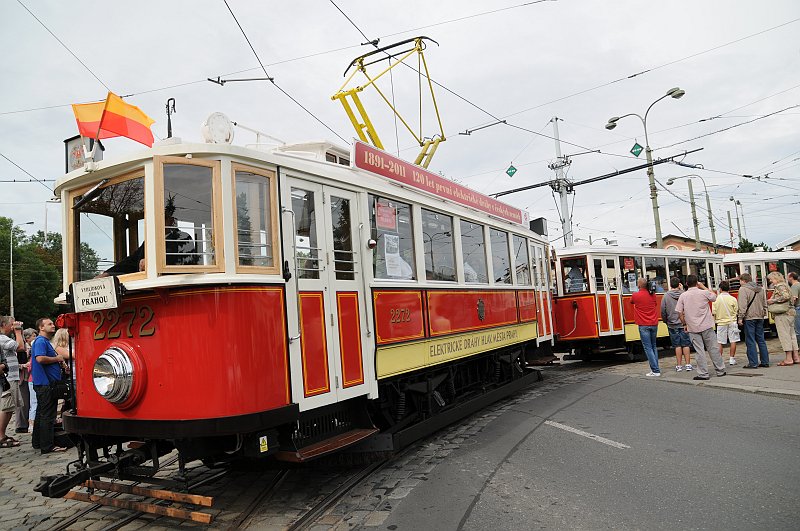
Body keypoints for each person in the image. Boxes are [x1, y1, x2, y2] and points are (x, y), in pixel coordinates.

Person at [101, 198, 198, 276]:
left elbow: (181, 262)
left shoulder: (183, 238)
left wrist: (152, 262)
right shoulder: (149, 242)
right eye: (154, 218)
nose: (156, 221)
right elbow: (131, 261)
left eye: (161, 218)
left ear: (170, 221)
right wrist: (107, 273)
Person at [676, 275, 727, 381]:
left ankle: (703, 373)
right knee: (713, 348)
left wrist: (684, 324)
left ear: (686, 284)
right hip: (707, 325)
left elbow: (680, 313)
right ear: (697, 283)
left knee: (699, 351)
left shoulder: (683, 296)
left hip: (693, 327)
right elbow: (714, 297)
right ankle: (720, 370)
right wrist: (703, 286)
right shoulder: (704, 293)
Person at [30, 318, 69, 454]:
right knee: (48, 415)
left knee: (41, 414)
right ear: (41, 327)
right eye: (50, 324)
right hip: (45, 384)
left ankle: (38, 442)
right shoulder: (41, 341)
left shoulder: (44, 342)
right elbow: (40, 358)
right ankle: (47, 446)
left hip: (44, 383)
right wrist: (57, 359)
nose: (53, 326)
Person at [0, 316, 24, 448]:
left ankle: (2, 434)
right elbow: (20, 347)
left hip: (11, 376)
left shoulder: (6, 338)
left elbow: (21, 346)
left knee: (9, 407)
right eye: (12, 323)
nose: (14, 325)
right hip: (8, 378)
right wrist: (18, 331)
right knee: (7, 407)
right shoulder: (2, 338)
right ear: (4, 324)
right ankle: (1, 436)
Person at [737, 272, 770, 368]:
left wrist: (740, 318)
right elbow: (764, 303)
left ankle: (753, 362)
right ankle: (765, 361)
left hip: (749, 317)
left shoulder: (743, 289)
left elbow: (742, 305)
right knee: (761, 339)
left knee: (750, 340)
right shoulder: (760, 289)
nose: (739, 282)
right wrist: (763, 313)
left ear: (743, 281)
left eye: (740, 280)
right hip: (760, 316)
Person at [766, 272, 799, 366]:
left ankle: (789, 358)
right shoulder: (786, 285)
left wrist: (772, 301)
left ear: (776, 278)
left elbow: (785, 296)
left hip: (783, 314)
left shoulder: (779, 286)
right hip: (791, 313)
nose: (771, 281)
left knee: (785, 335)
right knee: (792, 335)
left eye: (771, 279)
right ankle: (796, 356)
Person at [661, 276, 693, 372]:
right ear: (679, 284)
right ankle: (688, 364)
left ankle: (679, 365)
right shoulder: (684, 294)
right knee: (686, 344)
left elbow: (663, 310)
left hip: (672, 323)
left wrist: (665, 320)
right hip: (684, 323)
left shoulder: (666, 296)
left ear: (670, 285)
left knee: (677, 345)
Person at [631, 277, 661, 376]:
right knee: (653, 346)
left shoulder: (636, 295)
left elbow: (631, 301)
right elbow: (655, 304)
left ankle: (655, 370)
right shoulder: (653, 295)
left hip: (643, 324)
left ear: (639, 285)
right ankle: (656, 369)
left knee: (648, 347)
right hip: (654, 323)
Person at [712, 280, 740, 366]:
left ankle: (720, 360)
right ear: (729, 289)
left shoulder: (716, 299)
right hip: (732, 322)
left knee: (720, 342)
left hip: (721, 323)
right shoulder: (733, 299)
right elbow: (736, 310)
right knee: (733, 340)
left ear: (720, 289)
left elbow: (714, 312)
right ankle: (732, 358)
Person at [22, 328, 37, 433]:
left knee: (34, 402)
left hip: (32, 378)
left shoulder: (31, 348)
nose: (35, 337)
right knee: (34, 403)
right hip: (32, 379)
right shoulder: (29, 349)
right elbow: (30, 366)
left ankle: (32, 424)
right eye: (34, 335)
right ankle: (31, 425)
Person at [788, 271, 800, 348]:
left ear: (791, 277)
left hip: (798, 308)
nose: (787, 278)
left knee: (797, 330)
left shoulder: (794, 286)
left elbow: (794, 299)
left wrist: (789, 306)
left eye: (788, 276)